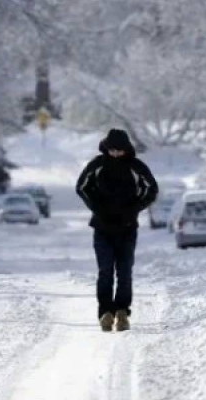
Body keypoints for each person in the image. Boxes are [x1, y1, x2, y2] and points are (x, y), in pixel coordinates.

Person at [76, 129, 158, 332]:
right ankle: (106, 312)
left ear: (126, 149)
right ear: (106, 148)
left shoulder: (135, 166)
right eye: (112, 150)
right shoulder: (97, 165)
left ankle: (122, 312)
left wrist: (135, 208)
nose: (115, 154)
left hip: (127, 228)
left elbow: (152, 189)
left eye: (119, 151)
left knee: (124, 271)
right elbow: (81, 187)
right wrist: (96, 207)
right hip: (102, 228)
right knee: (105, 271)